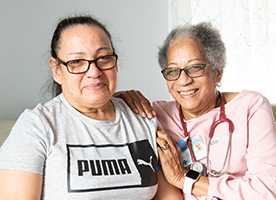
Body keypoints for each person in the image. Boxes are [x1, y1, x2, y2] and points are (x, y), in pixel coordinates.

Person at [0, 15, 182, 200]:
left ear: (115, 63)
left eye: (103, 58)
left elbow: (168, 196)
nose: (94, 72)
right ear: (56, 70)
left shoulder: (142, 118)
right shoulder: (36, 126)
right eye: (76, 62)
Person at [116, 22, 276, 199]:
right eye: (173, 71)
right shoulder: (155, 115)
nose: (183, 80)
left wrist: (184, 180)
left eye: (194, 68)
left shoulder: (251, 106)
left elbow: (270, 194)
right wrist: (121, 97)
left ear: (218, 72)